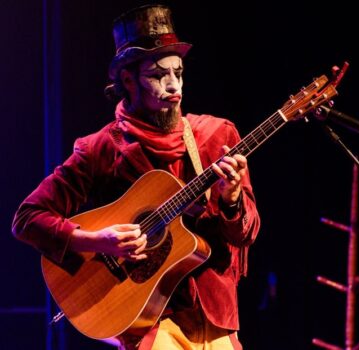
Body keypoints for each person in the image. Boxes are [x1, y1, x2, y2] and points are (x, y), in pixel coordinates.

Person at [12, 4, 260, 350]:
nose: (174, 86)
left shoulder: (216, 136)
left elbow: (244, 236)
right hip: (148, 320)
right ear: (128, 80)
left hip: (213, 312)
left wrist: (232, 199)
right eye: (159, 75)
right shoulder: (101, 147)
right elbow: (27, 218)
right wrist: (99, 241)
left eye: (179, 73)